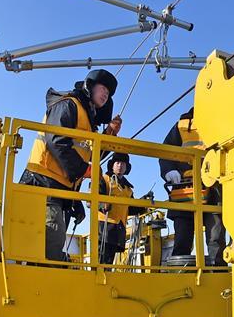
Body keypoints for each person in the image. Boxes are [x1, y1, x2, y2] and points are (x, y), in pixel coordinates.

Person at [20, 69, 121, 262]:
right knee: (51, 245)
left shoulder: (88, 123)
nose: (106, 94)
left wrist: (110, 133)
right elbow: (57, 140)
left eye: (108, 93)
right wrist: (84, 170)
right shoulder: (69, 104)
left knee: (50, 248)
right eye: (103, 88)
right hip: (42, 184)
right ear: (89, 87)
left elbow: (92, 154)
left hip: (61, 192)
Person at [158, 107, 226, 267]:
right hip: (184, 187)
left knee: (216, 236)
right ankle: (181, 273)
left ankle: (218, 273)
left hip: (213, 187)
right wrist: (169, 170)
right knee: (183, 238)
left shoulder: (221, 123)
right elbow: (165, 151)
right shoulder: (181, 127)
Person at [97, 152, 147, 265]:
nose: (120, 166)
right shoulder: (103, 180)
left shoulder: (128, 189)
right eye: (117, 163)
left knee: (109, 263)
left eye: (123, 164)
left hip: (119, 229)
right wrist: (103, 205)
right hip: (103, 228)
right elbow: (91, 200)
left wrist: (143, 204)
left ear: (127, 167)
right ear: (112, 165)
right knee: (101, 263)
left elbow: (130, 209)